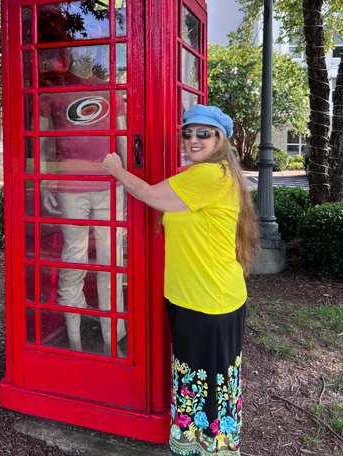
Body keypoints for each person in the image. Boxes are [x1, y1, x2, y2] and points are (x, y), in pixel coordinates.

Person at [103, 104, 259, 456]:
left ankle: (209, 449)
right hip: (198, 297)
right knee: (207, 382)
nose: (192, 139)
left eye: (203, 133)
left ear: (220, 139)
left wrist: (117, 169)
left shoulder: (208, 176)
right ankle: (205, 446)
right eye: (186, 133)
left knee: (206, 384)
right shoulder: (211, 174)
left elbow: (149, 194)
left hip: (207, 301)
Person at [40, 45, 127, 354]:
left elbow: (123, 136)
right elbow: (42, 141)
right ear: (70, 55)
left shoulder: (111, 89)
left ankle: (111, 340)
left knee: (110, 262)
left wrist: (127, 182)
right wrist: (43, 182)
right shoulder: (51, 91)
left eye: (93, 51)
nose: (87, 55)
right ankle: (74, 340)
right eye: (79, 50)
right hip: (70, 185)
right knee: (72, 261)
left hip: (109, 183)